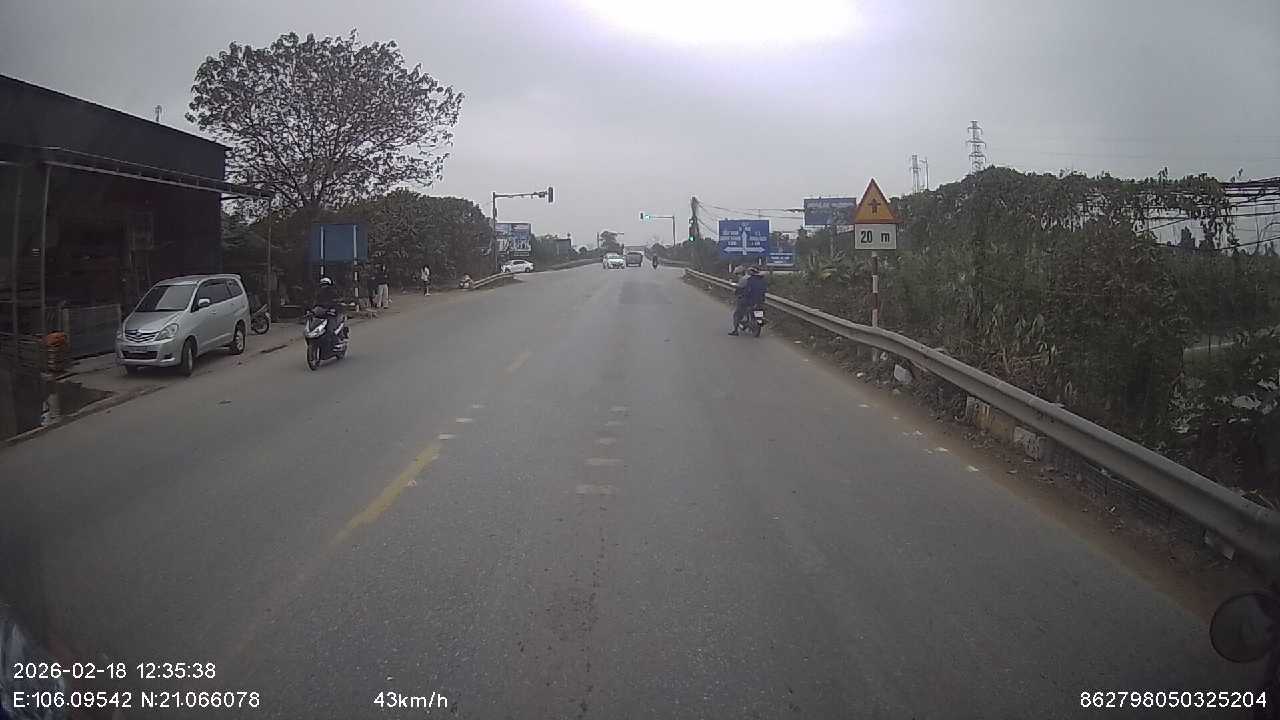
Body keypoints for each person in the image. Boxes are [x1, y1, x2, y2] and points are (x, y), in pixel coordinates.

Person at [729, 265, 767, 335]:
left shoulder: (749, 279)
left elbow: (746, 290)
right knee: (759, 310)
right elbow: (765, 290)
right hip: (760, 300)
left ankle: (735, 330)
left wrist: (741, 295)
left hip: (750, 300)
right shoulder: (763, 280)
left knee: (737, 314)